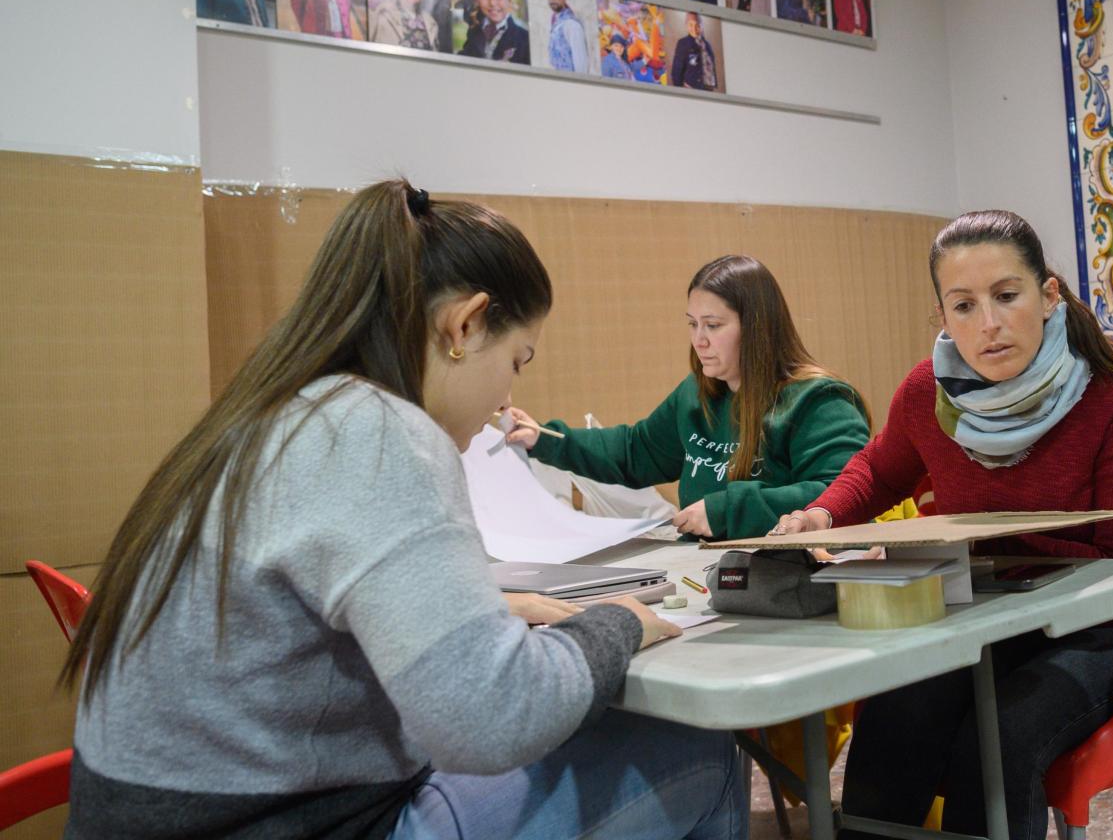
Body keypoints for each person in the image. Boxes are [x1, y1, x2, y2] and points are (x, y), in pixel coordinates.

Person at [62, 180, 746, 839]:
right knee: (703, 752)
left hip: (174, 812)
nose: (502, 404)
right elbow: (490, 718)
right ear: (465, 324)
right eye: (517, 361)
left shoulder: (275, 414)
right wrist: (616, 622)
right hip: (281, 823)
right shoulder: (378, 433)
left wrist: (487, 613)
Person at [770, 210, 1113, 840]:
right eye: (964, 306)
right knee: (895, 714)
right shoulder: (931, 389)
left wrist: (999, 559)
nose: (989, 324)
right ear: (943, 317)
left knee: (1001, 735)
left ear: (1048, 294)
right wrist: (822, 514)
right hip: (998, 624)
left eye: (1007, 296)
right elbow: (879, 468)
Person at [508, 255, 870, 542]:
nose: (699, 340)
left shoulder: (820, 401)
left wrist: (727, 511)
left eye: (713, 326)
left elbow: (843, 493)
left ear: (758, 329)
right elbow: (636, 451)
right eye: (692, 324)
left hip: (792, 575)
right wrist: (546, 439)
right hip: (709, 570)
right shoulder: (697, 393)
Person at [458, 0, 529, 63]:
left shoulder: (524, 38)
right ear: (477, 1)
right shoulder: (474, 33)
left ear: (508, 0)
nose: (492, 3)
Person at [668, 12, 717, 91]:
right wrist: (681, 90)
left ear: (702, 26)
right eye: (690, 25)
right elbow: (676, 71)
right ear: (686, 25)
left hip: (707, 91)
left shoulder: (707, 45)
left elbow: (711, 70)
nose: (694, 29)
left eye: (697, 25)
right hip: (690, 89)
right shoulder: (683, 43)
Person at [544, 0, 587, 72]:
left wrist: (580, 83)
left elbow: (580, 58)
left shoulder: (571, 24)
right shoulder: (556, 24)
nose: (551, 1)